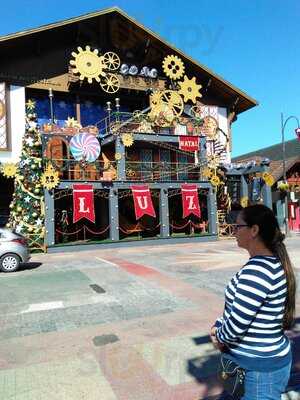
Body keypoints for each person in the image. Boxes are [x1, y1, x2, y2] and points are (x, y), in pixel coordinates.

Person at [210, 204, 296, 400]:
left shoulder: (256, 271)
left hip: (256, 372)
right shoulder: (271, 262)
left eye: (238, 226)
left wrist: (218, 335)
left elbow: (237, 325)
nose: (234, 231)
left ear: (254, 230)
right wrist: (220, 322)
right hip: (265, 364)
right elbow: (242, 310)